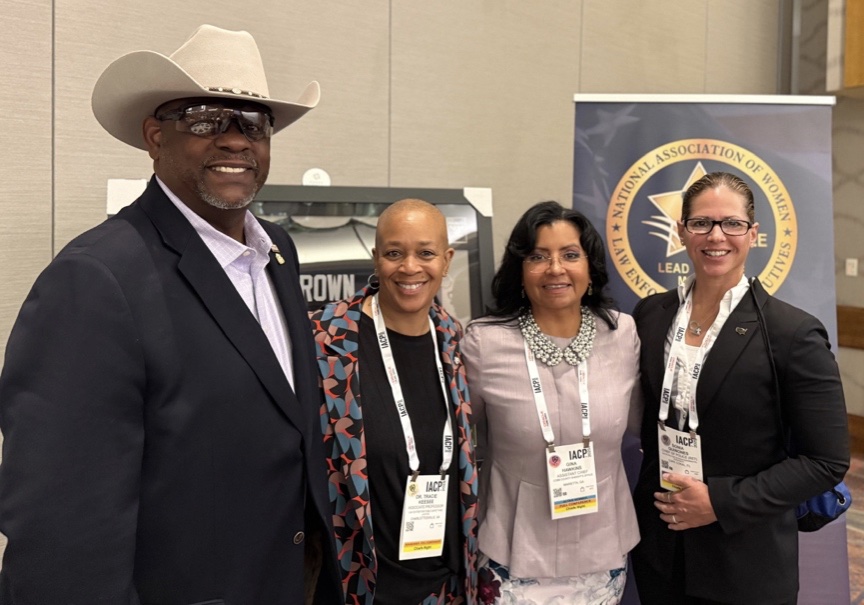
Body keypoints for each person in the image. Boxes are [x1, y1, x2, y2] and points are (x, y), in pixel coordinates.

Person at [0, 25, 340, 604]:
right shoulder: (96, 279)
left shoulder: (277, 253)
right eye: (206, 118)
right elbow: (62, 533)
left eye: (253, 123)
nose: (235, 140)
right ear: (155, 137)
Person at [629, 171, 850, 605]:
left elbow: (826, 461)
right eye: (701, 223)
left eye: (731, 223)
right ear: (682, 232)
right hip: (660, 548)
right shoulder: (651, 316)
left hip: (744, 560)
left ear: (753, 235)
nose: (716, 236)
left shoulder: (792, 333)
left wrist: (720, 502)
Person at [461, 200, 642, 605]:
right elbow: (457, 438)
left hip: (602, 551)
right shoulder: (484, 342)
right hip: (511, 552)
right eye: (538, 256)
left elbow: (636, 424)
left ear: (590, 269)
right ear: (520, 271)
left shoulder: (623, 334)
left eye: (570, 255)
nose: (555, 268)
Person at [310, 199, 479, 604]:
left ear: (446, 259)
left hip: (444, 585)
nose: (409, 267)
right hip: (359, 581)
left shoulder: (453, 340)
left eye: (425, 253)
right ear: (375, 258)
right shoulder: (325, 341)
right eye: (393, 253)